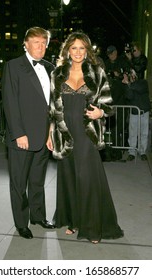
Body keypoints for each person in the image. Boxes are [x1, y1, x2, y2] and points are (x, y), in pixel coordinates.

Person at [46, 32, 124, 243]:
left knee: (88, 179)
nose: (78, 52)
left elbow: (108, 104)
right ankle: (74, 221)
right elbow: (53, 108)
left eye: (82, 48)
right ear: (67, 50)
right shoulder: (58, 73)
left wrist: (101, 112)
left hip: (87, 133)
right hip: (65, 133)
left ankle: (92, 227)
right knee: (70, 178)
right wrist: (50, 133)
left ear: (87, 51)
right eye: (74, 48)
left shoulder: (97, 72)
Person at [2, 26, 55, 239]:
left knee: (37, 181)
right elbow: (10, 102)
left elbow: (51, 105)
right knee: (18, 183)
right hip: (22, 137)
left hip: (43, 136)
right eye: (36, 42)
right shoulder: (13, 66)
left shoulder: (50, 68)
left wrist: (51, 132)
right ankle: (22, 223)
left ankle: (38, 216)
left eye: (43, 43)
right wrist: (18, 133)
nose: (40, 47)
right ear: (26, 43)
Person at [104, 45, 130, 160]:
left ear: (116, 52)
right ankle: (110, 152)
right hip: (109, 101)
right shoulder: (106, 64)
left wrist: (118, 75)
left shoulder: (122, 62)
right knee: (109, 127)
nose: (111, 55)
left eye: (113, 53)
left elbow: (128, 76)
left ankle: (117, 151)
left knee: (119, 127)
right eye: (109, 53)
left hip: (121, 101)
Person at [122, 69, 151, 161]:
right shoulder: (129, 85)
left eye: (133, 74)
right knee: (132, 134)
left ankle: (142, 152)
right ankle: (132, 152)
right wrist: (128, 84)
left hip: (144, 111)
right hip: (134, 112)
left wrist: (129, 84)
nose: (132, 76)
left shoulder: (143, 82)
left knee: (144, 133)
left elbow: (140, 89)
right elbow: (129, 96)